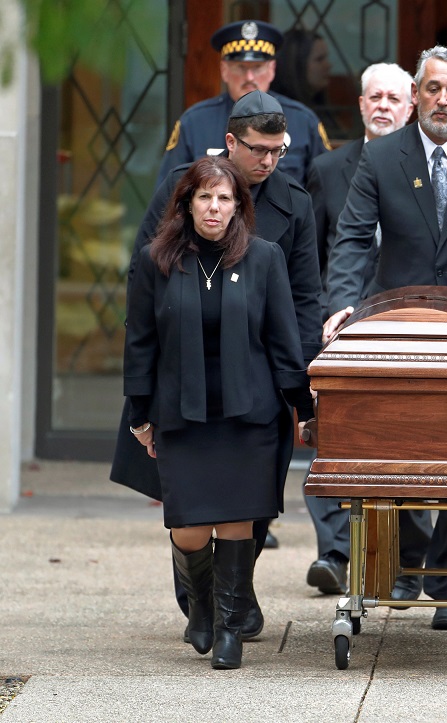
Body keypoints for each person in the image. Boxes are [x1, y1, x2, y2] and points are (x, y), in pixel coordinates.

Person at [323, 45, 447, 631]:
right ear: (416, 95)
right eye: (432, 88)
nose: (442, 99)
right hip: (397, 322)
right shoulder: (382, 156)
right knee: (394, 440)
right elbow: (352, 238)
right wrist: (341, 307)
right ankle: (403, 565)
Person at [111, 89, 326, 642]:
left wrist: (301, 383)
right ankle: (200, 604)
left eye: (278, 150)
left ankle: (234, 601)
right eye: (258, 149)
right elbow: (144, 269)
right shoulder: (183, 185)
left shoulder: (294, 202)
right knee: (187, 504)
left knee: (250, 502)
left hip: (256, 379)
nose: (268, 160)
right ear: (231, 142)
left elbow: (304, 298)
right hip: (181, 368)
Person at [302, 62, 416, 597]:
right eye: (375, 97)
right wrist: (326, 313)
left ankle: (405, 557)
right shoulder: (328, 169)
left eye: (394, 98)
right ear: (361, 104)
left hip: (405, 322)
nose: (383, 106)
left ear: (410, 107)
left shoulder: (426, 167)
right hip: (341, 321)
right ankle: (335, 552)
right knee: (333, 433)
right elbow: (314, 253)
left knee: (405, 436)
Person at [157, 20, 332, 187]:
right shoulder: (195, 122)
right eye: (241, 67)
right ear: (224, 70)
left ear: (272, 69)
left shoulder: (303, 121)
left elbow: (323, 191)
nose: (249, 77)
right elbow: (170, 193)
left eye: (257, 67)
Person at [270, 28, 337, 137]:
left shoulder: (319, 106)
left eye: (326, 58)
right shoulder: (280, 114)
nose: (328, 65)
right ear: (296, 64)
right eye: (319, 59)